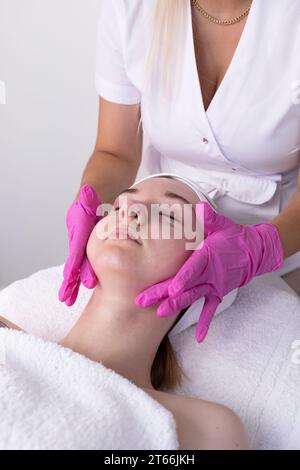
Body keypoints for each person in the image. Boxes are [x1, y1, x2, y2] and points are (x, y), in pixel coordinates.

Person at [58, 0, 300, 342]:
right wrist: (91, 199)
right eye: (124, 201)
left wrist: (265, 246)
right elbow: (115, 151)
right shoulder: (132, 9)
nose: (129, 210)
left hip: (287, 247)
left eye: (171, 215)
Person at [0, 175, 249, 450]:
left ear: (204, 273)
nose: (130, 211)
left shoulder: (205, 427)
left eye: (168, 215)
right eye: (118, 206)